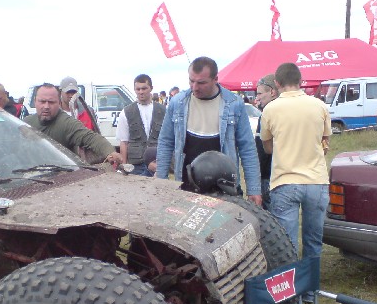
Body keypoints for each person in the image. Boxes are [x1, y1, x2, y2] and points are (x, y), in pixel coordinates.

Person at [260, 62, 331, 304]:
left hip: (285, 181)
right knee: (313, 242)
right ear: (301, 80)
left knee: (288, 247)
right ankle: (311, 292)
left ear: (276, 84)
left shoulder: (270, 109)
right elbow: (326, 143)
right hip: (316, 181)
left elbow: (267, 147)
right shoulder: (319, 106)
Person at [156, 56, 262, 205]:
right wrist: (161, 181)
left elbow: (247, 148)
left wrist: (254, 189)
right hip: (186, 186)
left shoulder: (234, 104)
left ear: (215, 79)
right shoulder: (177, 103)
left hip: (224, 188)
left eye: (201, 82)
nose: (194, 87)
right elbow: (165, 142)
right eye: (191, 81)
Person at [23, 83, 122, 165]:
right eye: (42, 101)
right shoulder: (26, 122)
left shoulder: (66, 123)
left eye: (51, 102)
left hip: (60, 176)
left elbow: (90, 137)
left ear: (59, 103)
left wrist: (111, 152)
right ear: (35, 101)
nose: (46, 106)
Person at [115, 74, 165, 176]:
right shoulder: (126, 112)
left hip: (158, 164)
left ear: (151, 88)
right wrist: (124, 167)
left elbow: (169, 140)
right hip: (135, 166)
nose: (141, 92)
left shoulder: (164, 111)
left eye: (144, 88)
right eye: (138, 89)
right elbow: (123, 142)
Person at [255, 74, 279, 210]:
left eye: (259, 93)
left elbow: (262, 150)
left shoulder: (267, 114)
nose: (257, 98)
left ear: (272, 92)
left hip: (268, 175)